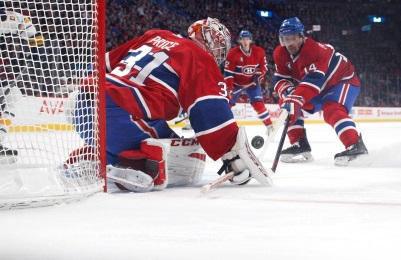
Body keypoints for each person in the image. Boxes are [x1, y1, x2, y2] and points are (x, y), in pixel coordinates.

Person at [73, 17, 272, 191]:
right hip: (120, 111)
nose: (218, 55)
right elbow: (209, 109)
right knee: (178, 151)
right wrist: (231, 155)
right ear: (208, 39)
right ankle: (138, 167)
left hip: (84, 104)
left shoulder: (155, 35)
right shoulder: (199, 57)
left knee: (160, 130)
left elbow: (103, 63)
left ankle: (90, 159)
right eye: (219, 47)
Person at [273, 17, 368, 166]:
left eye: (293, 38)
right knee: (287, 101)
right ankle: (300, 144)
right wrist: (288, 93)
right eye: (285, 39)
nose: (289, 43)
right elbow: (280, 79)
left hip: (342, 81)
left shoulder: (313, 51)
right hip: (320, 87)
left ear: (301, 36)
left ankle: (356, 146)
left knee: (332, 108)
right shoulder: (280, 53)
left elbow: (312, 83)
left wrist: (294, 98)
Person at [0, 8, 44, 163]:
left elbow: (30, 32)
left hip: (3, 76)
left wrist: (37, 47)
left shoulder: (13, 18)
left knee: (14, 95)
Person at [224, 30, 273, 132]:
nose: (245, 41)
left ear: (251, 40)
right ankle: (221, 127)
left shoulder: (259, 52)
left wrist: (259, 75)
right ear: (239, 41)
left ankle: (269, 127)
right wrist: (229, 88)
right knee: (226, 105)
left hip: (252, 84)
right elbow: (228, 74)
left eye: (247, 39)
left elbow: (264, 67)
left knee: (259, 105)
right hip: (235, 84)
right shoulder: (233, 54)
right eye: (243, 39)